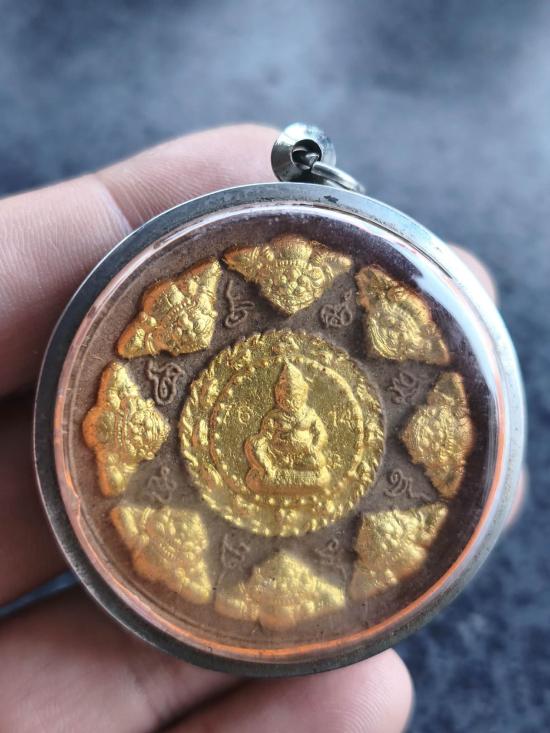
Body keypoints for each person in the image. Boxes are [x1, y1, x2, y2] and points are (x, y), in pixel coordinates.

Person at [0, 124, 525, 733]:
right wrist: (267, 449)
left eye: (293, 393)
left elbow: (315, 446)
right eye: (285, 393)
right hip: (259, 470)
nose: (290, 398)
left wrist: (304, 444)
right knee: (260, 446)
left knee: (308, 449)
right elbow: (258, 446)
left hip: (304, 475)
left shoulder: (317, 411)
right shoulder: (269, 410)